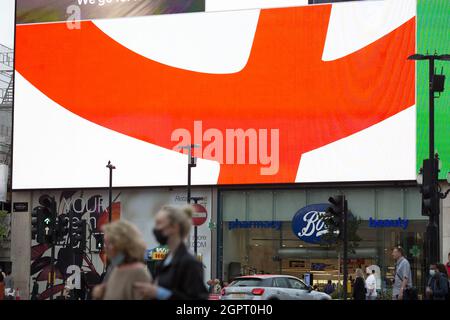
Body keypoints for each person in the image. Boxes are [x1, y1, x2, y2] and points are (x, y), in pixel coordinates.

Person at [134, 205, 208, 300]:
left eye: (159, 223)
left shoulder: (190, 263)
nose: (155, 229)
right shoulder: (163, 261)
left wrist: (160, 293)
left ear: (175, 227)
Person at [92, 220, 152, 300]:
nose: (105, 248)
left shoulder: (138, 273)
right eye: (105, 243)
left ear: (121, 244)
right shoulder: (114, 269)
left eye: (109, 244)